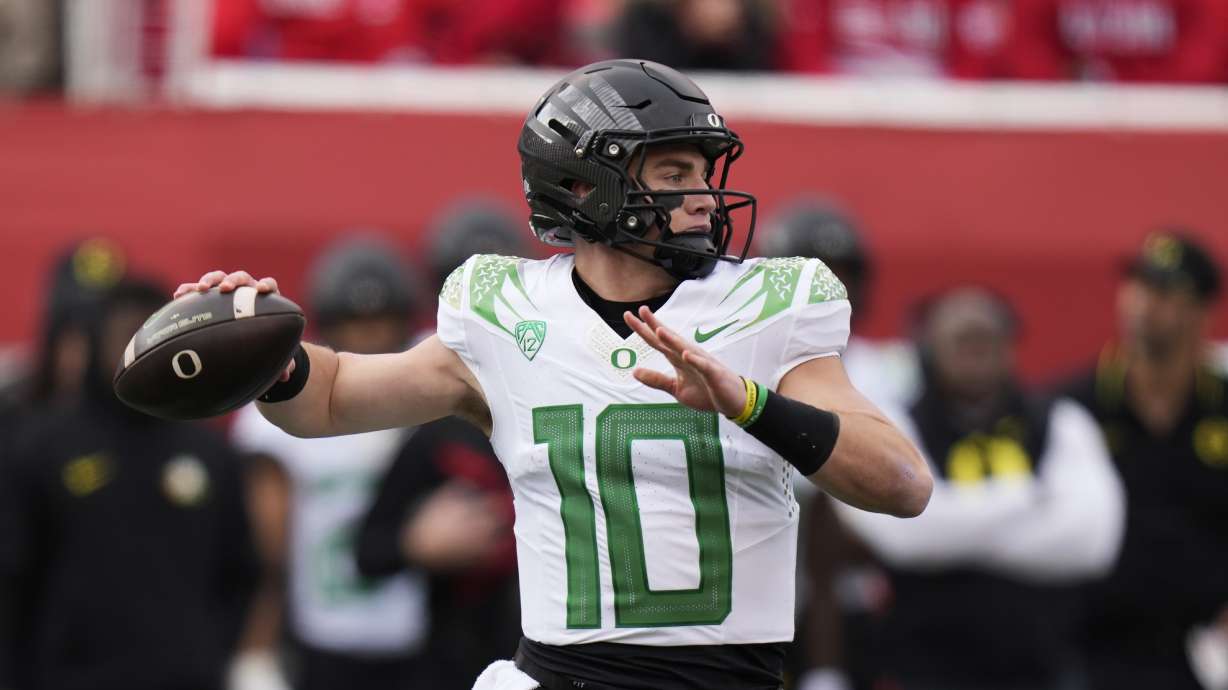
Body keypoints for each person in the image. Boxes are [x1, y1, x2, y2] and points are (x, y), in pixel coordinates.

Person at [175, 59, 932, 690]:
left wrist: (750, 403)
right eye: (675, 172)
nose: (705, 196)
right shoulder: (504, 311)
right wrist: (265, 353)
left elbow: (902, 484)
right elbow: (334, 395)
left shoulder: (770, 304)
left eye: (706, 170)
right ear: (583, 187)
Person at [835, 287, 1124, 690]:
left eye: (987, 338)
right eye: (962, 339)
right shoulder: (895, 424)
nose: (975, 350)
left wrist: (954, 522)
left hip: (1045, 666)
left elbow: (1094, 543)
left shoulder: (1060, 421)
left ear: (1011, 345)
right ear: (929, 346)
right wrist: (1027, 499)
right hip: (925, 668)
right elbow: (906, 536)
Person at [0, 277, 260, 690]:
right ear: (97, 342)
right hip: (69, 678)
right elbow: (14, 578)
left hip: (187, 678)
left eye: (154, 333)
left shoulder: (210, 452)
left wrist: (205, 651)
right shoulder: (40, 448)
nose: (142, 350)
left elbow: (241, 570)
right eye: (126, 335)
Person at [229, 237, 429, 690]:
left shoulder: (431, 389)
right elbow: (271, 552)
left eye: (382, 323)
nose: (370, 339)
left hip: (425, 628)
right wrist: (258, 644)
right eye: (355, 325)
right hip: (322, 630)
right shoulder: (285, 413)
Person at [356, 202, 529, 690]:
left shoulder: (568, 398)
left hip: (567, 656)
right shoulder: (437, 426)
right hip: (457, 656)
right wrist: (416, 543)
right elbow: (369, 551)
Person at [1059, 232, 1228, 690]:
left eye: (1164, 292)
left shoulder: (1221, 405)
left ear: (1201, 310)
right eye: (1136, 285)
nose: (1142, 304)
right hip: (1087, 650)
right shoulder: (1073, 406)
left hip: (1203, 653)